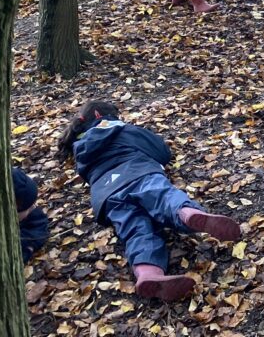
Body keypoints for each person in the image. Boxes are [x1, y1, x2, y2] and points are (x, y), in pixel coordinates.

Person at [57, 100, 241, 302]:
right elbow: (162, 152)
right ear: (105, 116)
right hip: (138, 172)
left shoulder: (80, 147)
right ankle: (188, 213)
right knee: (162, 196)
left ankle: (148, 274)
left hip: (106, 195)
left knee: (135, 228)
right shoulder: (123, 130)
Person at [13, 167, 49, 263]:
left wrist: (28, 246)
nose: (33, 208)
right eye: (28, 208)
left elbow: (38, 227)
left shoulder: (33, 215)